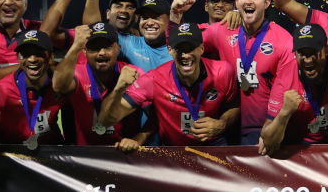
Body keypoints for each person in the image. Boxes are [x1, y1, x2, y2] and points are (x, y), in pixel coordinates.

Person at [99, 22, 239, 146]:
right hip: (174, 151)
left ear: (201, 49)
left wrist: (222, 124)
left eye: (190, 48)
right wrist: (118, 88)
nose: (185, 55)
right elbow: (107, 121)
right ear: (170, 51)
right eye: (179, 49)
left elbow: (234, 106)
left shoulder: (223, 71)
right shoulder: (154, 80)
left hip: (214, 145)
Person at [202, 0, 296, 144]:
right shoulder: (221, 30)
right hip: (225, 129)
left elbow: (282, 92)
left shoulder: (284, 41)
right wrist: (174, 17)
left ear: (267, 3)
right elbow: (184, 42)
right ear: (237, 3)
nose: (248, 1)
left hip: (262, 131)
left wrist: (270, 129)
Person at [0, 30, 66, 148]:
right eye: (25, 54)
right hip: (11, 153)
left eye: (39, 53)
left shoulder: (61, 87)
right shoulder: (1, 90)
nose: (32, 59)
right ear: (18, 58)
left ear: (51, 57)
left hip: (49, 152)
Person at [52, 23, 146, 149]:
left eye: (107, 47)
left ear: (118, 48)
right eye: (94, 48)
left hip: (123, 155)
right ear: (84, 51)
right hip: (85, 155)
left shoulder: (134, 74)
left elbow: (155, 115)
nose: (101, 53)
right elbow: (58, 86)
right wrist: (75, 46)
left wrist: (137, 139)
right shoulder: (78, 73)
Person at [259, 24, 328, 155]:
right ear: (295, 54)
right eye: (302, 53)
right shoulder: (286, 79)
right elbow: (268, 139)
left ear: (326, 50)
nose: (307, 60)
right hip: (296, 148)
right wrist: (284, 113)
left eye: (313, 52)